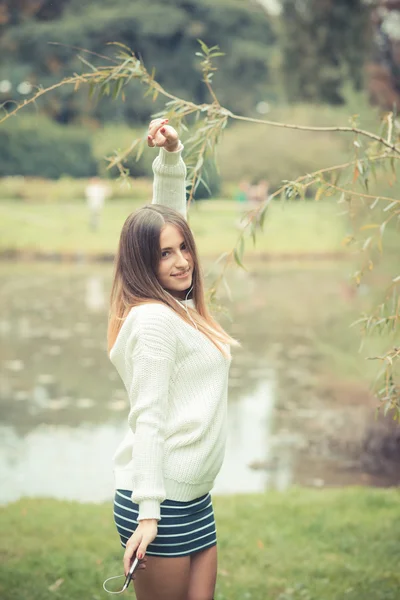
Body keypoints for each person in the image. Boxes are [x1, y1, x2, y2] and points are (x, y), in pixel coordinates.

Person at [107, 117, 240, 600]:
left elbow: (164, 223)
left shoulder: (176, 308)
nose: (182, 260)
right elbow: (149, 417)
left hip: (193, 497)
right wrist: (148, 512)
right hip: (159, 501)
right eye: (166, 255)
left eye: (185, 248)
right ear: (146, 264)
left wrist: (170, 156)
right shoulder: (155, 322)